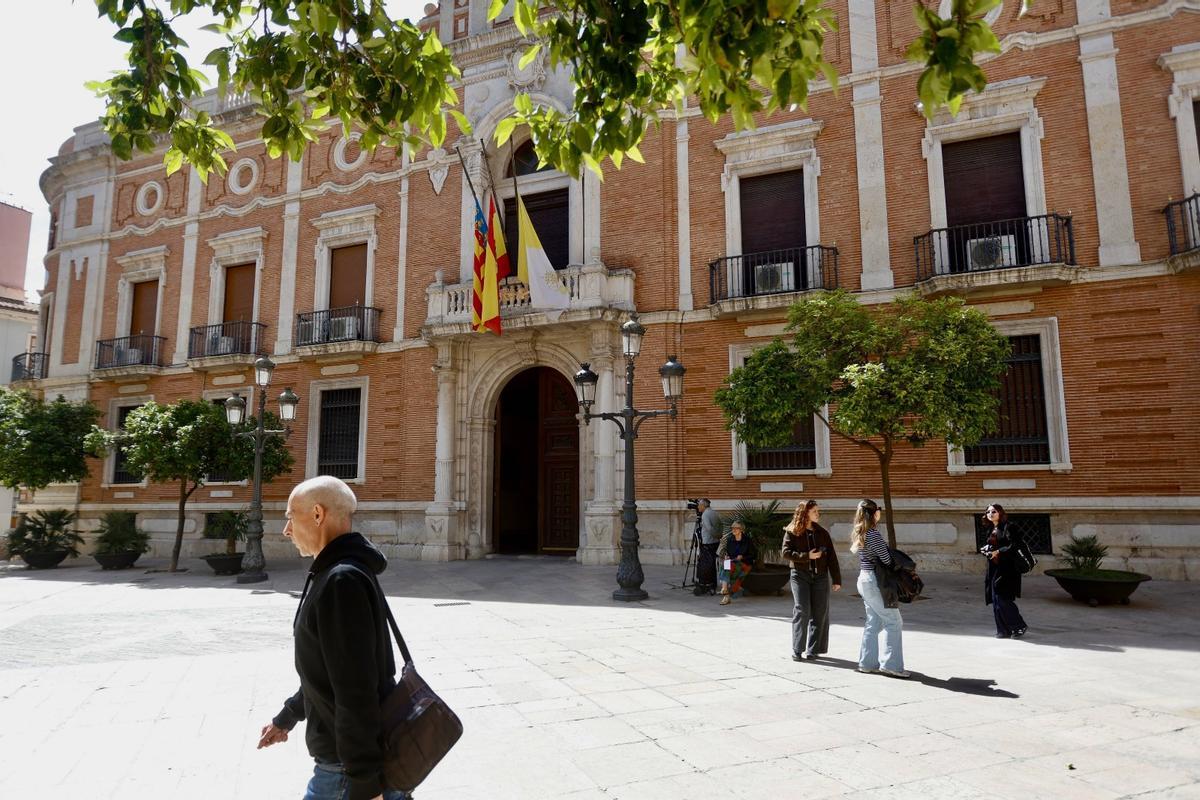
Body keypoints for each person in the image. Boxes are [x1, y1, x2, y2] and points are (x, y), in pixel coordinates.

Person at [257, 475, 410, 800]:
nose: (286, 530)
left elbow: (355, 688)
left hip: (346, 770)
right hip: (353, 762)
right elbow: (330, 669)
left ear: (317, 514)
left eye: (289, 517)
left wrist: (366, 784)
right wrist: (288, 716)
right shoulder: (339, 573)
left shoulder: (341, 581)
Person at [849, 498, 908, 678]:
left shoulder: (860, 531)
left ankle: (867, 663)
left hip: (865, 580)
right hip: (875, 581)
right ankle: (891, 665)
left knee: (873, 622)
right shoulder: (873, 534)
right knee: (894, 621)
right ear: (875, 513)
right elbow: (886, 559)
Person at [782, 500, 841, 661]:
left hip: (820, 577)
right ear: (805, 513)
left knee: (820, 612)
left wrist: (837, 579)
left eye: (817, 511)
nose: (818, 513)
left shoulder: (822, 533)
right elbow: (785, 553)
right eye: (815, 511)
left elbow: (832, 558)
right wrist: (806, 556)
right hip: (799, 575)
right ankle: (797, 649)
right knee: (802, 610)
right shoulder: (792, 531)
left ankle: (813, 650)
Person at [982, 503, 1028, 639]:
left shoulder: (1009, 527)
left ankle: (1019, 625)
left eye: (994, 511)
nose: (991, 514)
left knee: (1003, 598)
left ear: (1000, 513)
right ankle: (1003, 630)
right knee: (996, 600)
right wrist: (986, 549)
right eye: (988, 512)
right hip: (994, 568)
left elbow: (1015, 545)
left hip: (1008, 569)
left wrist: (998, 551)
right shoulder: (991, 528)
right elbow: (993, 545)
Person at [717, 520, 756, 605]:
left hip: (744, 563)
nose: (733, 530)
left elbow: (753, 555)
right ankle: (725, 591)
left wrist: (742, 557)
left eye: (736, 528)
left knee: (729, 568)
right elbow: (729, 553)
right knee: (726, 565)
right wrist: (727, 557)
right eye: (732, 528)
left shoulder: (747, 540)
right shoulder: (730, 539)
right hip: (733, 562)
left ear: (741, 529)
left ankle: (725, 591)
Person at [695, 498, 720, 594]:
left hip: (707, 543)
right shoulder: (714, 512)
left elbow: (709, 528)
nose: (698, 507)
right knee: (712, 564)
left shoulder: (705, 515)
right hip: (715, 542)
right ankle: (713, 584)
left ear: (703, 506)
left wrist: (715, 535)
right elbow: (719, 526)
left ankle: (706, 584)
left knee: (706, 565)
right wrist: (718, 536)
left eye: (699, 505)